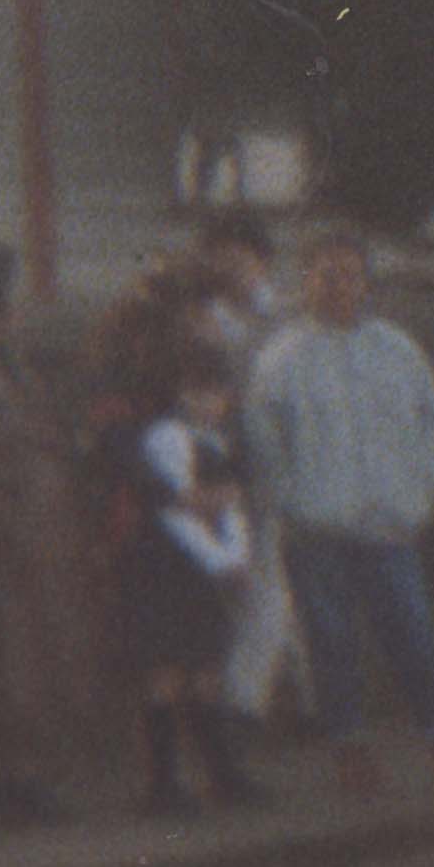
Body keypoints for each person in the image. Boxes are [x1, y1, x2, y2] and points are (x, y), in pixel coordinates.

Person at [244, 227, 434, 802]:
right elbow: (263, 443)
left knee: (416, 636)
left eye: (350, 275)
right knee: (331, 645)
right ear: (305, 281)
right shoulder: (282, 359)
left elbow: (433, 425)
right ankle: (350, 755)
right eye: (325, 275)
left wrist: (418, 496)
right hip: (316, 529)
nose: (338, 287)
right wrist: (293, 503)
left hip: (388, 526)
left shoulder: (396, 351)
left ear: (366, 284)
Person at [0, 243, 74, 826]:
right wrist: (7, 525)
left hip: (32, 537)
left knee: (28, 663)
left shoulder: (10, 362)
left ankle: (21, 773)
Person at [124, 342, 266, 814]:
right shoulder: (168, 437)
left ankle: (222, 773)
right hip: (169, 568)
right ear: (183, 392)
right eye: (199, 391)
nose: (209, 401)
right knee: (168, 672)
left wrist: (237, 557)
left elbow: (232, 510)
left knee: (207, 670)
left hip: (205, 570)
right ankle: (162, 784)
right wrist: (219, 561)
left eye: (218, 392)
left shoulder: (219, 442)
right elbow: (177, 510)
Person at [188, 211, 311, 730]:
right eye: (222, 261)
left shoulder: (284, 319)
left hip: (275, 465)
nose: (233, 272)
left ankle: (244, 703)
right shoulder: (202, 321)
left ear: (262, 263)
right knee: (258, 582)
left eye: (243, 261)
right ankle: (307, 699)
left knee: (266, 579)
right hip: (220, 460)